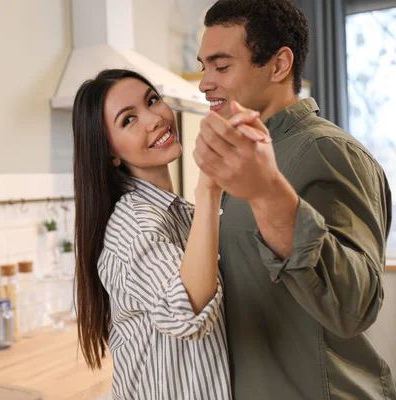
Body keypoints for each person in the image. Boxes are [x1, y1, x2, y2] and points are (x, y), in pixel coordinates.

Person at [193, 0, 395, 399]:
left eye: (221, 65)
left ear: (279, 65)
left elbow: (356, 306)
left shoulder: (331, 151)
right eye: (203, 66)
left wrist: (269, 195)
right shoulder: (246, 156)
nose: (204, 83)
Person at [72, 69, 264, 399]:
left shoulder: (184, 216)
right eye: (128, 120)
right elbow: (186, 312)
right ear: (111, 153)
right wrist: (209, 185)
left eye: (152, 101)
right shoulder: (134, 225)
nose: (154, 119)